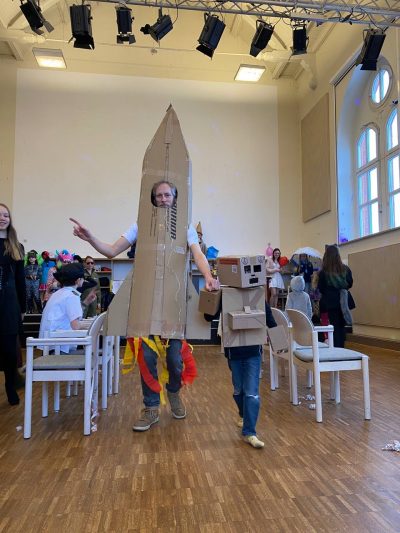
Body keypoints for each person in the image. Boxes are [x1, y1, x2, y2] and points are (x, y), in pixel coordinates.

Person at [70, 180, 219, 431]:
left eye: (167, 195)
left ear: (174, 198)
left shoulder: (185, 227)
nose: (163, 199)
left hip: (173, 303)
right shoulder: (140, 225)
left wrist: (207, 276)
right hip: (145, 301)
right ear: (153, 199)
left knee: (174, 359)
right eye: (158, 195)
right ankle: (150, 407)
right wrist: (90, 238)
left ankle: (173, 392)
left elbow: (198, 254)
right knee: (147, 356)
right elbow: (112, 250)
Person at [205, 300, 277, 449]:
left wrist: (279, 341)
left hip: (253, 352)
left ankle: (250, 432)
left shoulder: (255, 295)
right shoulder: (226, 296)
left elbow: (269, 319)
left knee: (251, 393)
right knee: (238, 391)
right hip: (234, 352)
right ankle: (243, 414)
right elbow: (208, 317)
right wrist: (212, 295)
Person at [0, 203, 26, 405]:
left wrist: (23, 308)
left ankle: (11, 386)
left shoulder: (16, 246)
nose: (2, 218)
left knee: (9, 349)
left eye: (6, 215)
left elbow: (20, 280)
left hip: (9, 304)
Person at [39, 263, 96, 353]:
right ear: (78, 280)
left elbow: (70, 314)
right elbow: (76, 326)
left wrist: (86, 302)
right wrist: (93, 325)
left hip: (51, 346)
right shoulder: (72, 296)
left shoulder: (59, 293)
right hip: (59, 349)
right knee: (94, 353)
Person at [318, 245, 353, 348]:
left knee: (332, 328)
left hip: (329, 302)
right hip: (343, 302)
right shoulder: (345, 269)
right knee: (341, 328)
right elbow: (350, 283)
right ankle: (341, 348)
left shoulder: (323, 272)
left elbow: (321, 288)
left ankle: (334, 350)